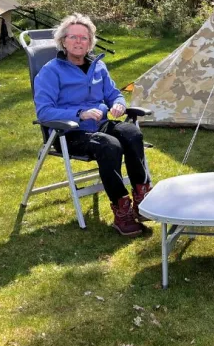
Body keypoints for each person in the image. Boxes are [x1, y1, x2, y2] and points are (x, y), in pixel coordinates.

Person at [34, 14, 151, 236]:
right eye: (73, 37)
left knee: (132, 133)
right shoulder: (50, 71)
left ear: (90, 42)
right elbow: (44, 111)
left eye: (84, 38)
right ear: (63, 41)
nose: (79, 42)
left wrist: (118, 104)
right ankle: (122, 210)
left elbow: (114, 94)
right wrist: (79, 113)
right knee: (109, 145)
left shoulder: (99, 67)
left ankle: (142, 198)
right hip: (69, 132)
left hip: (101, 125)